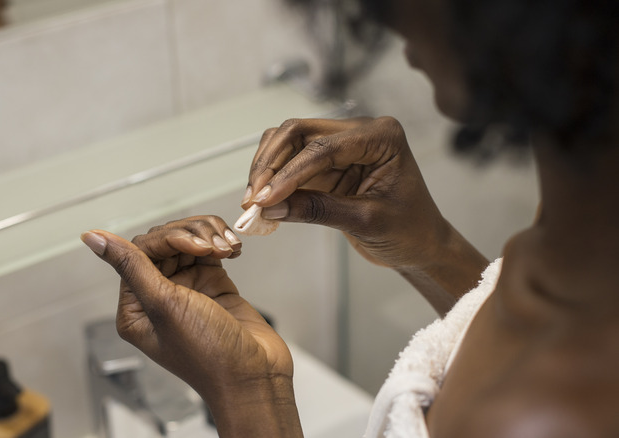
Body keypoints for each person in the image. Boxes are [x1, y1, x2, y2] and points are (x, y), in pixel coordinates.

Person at [80, 0, 619, 436]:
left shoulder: (541, 418)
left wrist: (250, 394)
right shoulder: (580, 236)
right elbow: (517, 342)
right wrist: (431, 248)